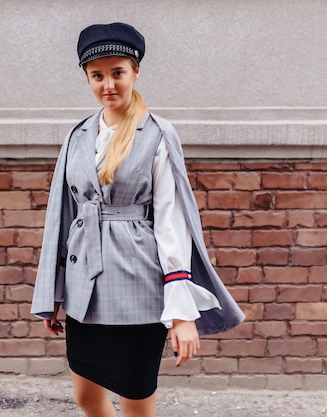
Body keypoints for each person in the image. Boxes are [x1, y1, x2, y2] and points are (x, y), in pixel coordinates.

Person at [31, 22, 244, 417]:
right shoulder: (77, 135)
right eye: (98, 76)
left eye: (118, 73)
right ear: (87, 78)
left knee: (135, 400)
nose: (108, 84)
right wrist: (53, 296)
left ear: (135, 72)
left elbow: (171, 221)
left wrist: (181, 315)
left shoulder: (159, 134)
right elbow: (60, 217)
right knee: (86, 396)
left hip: (139, 283)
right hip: (84, 287)